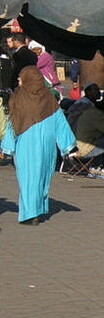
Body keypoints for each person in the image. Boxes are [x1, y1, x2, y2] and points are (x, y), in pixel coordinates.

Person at [1, 66, 76, 224]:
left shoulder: (18, 98)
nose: (18, 79)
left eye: (21, 77)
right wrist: (68, 146)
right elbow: (60, 123)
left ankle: (30, 214)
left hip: (26, 145)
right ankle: (39, 209)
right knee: (42, 176)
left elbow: (12, 124)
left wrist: (7, 147)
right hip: (47, 146)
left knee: (28, 178)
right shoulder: (49, 98)